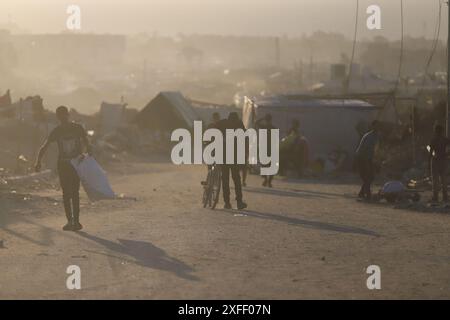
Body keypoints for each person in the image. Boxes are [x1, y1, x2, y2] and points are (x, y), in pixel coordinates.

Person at [35, 106, 91, 231]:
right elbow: (45, 146)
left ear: (68, 115)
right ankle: (69, 221)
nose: (62, 118)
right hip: (63, 165)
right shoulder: (57, 131)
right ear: (58, 117)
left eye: (64, 115)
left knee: (75, 192)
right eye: (60, 116)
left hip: (76, 164)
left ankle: (76, 221)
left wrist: (88, 153)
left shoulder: (77, 128)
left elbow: (87, 142)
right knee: (66, 193)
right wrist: (38, 161)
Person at [217, 112, 248, 210]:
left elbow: (212, 128)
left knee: (225, 179)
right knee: (236, 179)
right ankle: (239, 202)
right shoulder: (239, 124)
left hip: (224, 155)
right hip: (234, 156)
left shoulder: (222, 123)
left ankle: (227, 203)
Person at [355, 120, 380, 200]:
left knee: (370, 176)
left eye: (378, 126)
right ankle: (367, 194)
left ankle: (362, 193)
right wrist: (367, 162)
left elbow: (375, 149)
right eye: (376, 126)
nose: (377, 128)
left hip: (368, 157)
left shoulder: (376, 136)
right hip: (363, 157)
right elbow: (365, 150)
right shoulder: (370, 136)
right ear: (372, 126)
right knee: (368, 176)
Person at [428, 124, 450, 202]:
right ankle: (445, 196)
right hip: (444, 161)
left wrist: (429, 160)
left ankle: (435, 197)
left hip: (435, 161)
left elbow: (430, 151)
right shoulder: (446, 140)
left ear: (435, 131)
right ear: (442, 131)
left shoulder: (433, 140)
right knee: (444, 179)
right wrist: (447, 154)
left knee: (435, 180)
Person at [256, 114, 276, 187]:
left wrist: (262, 118)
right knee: (271, 166)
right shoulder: (273, 128)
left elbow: (256, 123)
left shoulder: (263, 127)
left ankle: (266, 180)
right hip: (271, 148)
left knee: (264, 165)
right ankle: (269, 181)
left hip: (264, 148)